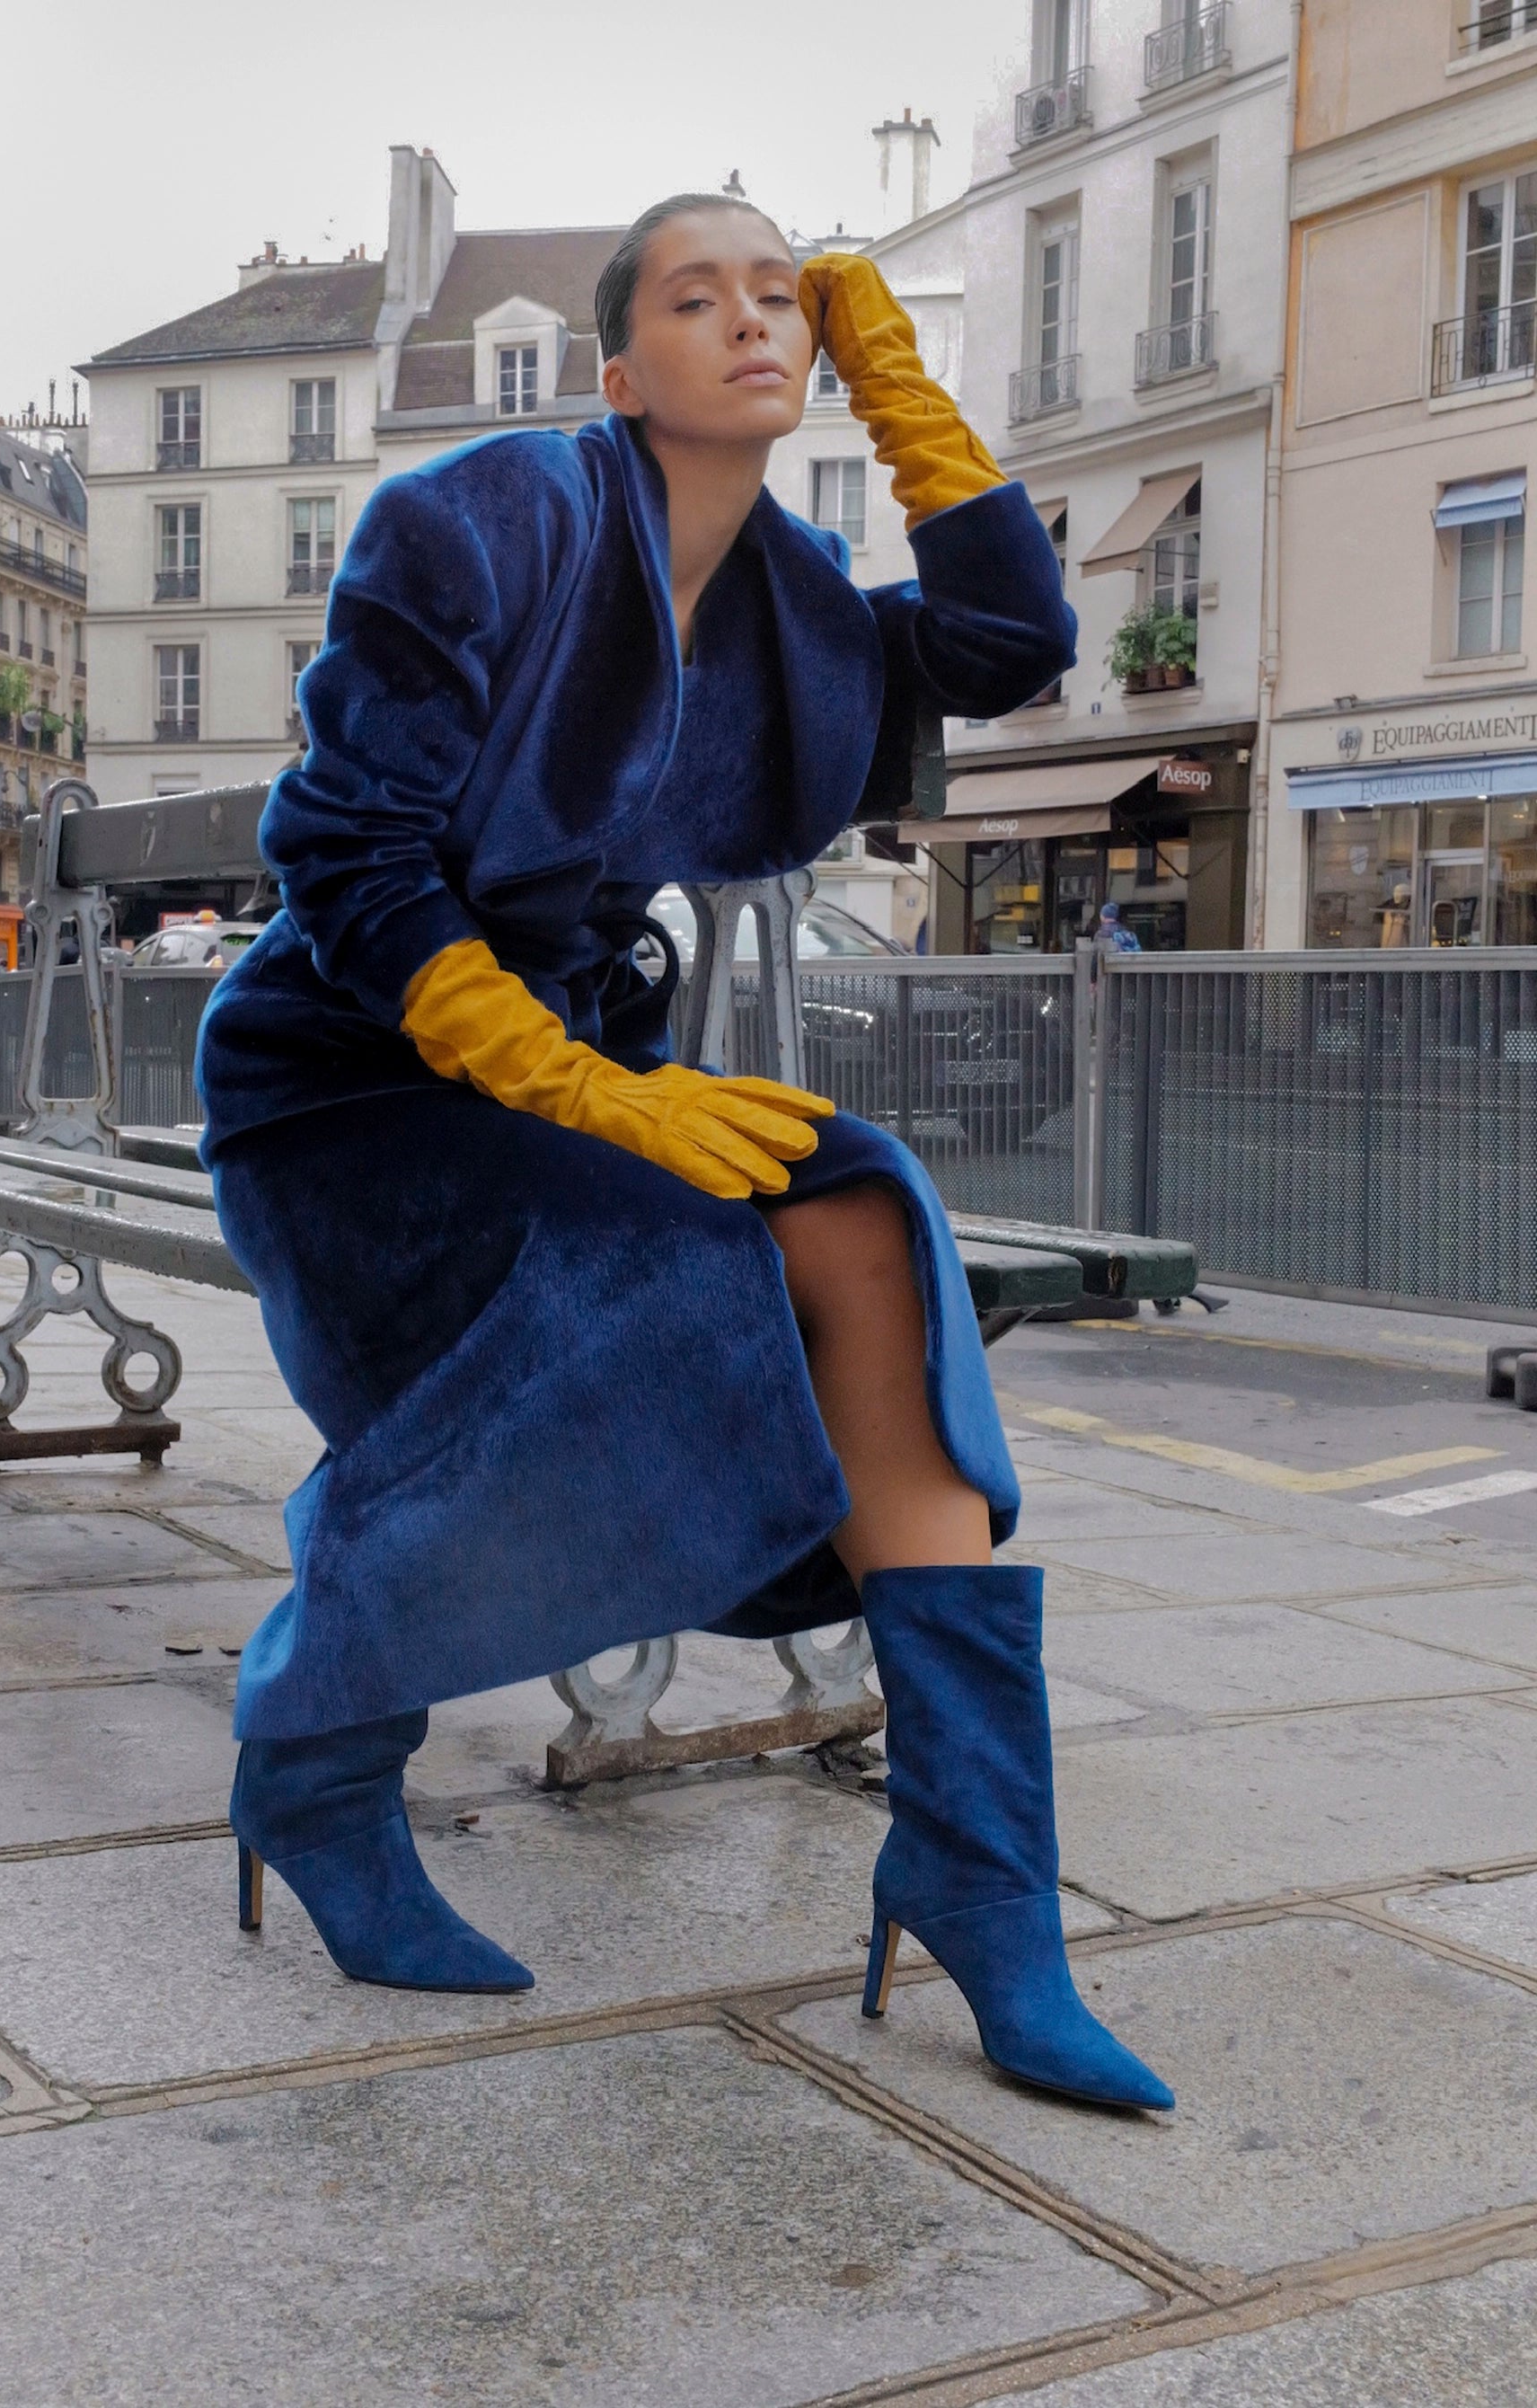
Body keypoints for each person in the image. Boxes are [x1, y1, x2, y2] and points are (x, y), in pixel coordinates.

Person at [196, 197, 1171, 2113]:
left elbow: (1008, 639)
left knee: (862, 1211)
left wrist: (898, 384)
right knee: (672, 1281)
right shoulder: (471, 523)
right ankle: (313, 1757)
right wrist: (572, 1083)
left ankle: (984, 1890)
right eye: (692, 294)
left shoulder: (796, 600)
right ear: (618, 369)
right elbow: (346, 857)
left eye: (781, 298)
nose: (752, 319)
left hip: (583, 1073)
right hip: (359, 1085)